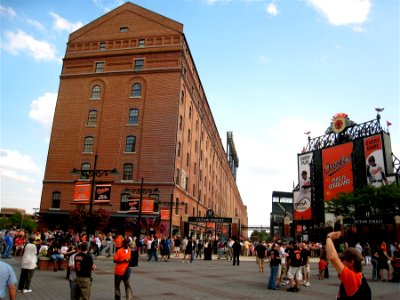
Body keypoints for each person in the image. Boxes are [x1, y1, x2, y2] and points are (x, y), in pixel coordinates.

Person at [326, 231, 371, 299]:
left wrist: (329, 237)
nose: (340, 261)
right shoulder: (358, 277)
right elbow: (332, 255)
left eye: (343, 259)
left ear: (351, 262)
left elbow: (333, 258)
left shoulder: (353, 278)